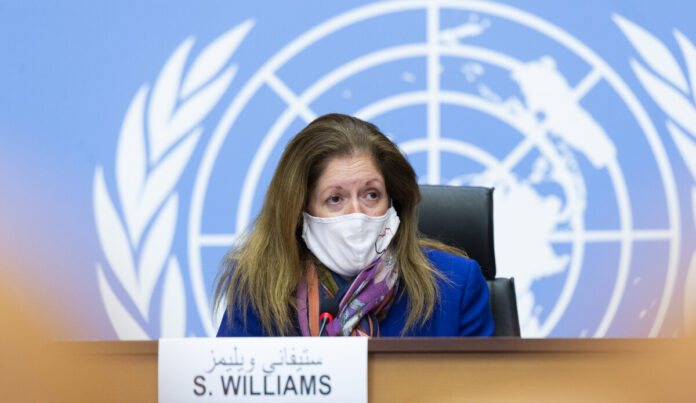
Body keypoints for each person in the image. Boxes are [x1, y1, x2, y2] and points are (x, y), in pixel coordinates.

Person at [215, 113, 494, 337]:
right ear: (299, 213)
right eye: (335, 199)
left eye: (371, 195)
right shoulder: (259, 289)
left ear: (393, 202)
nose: (357, 215)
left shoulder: (455, 285)